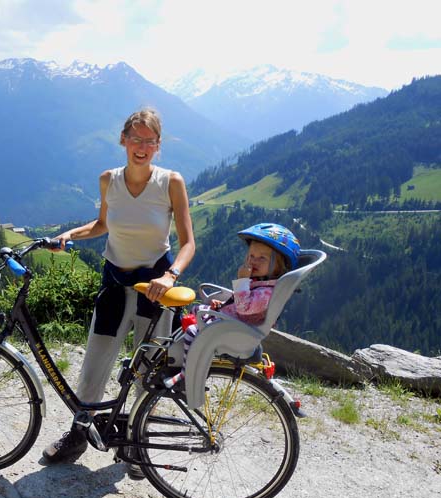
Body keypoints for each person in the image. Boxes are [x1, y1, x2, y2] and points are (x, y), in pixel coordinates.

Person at [42, 108, 195, 470]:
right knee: (94, 365)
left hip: (154, 288)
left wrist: (170, 275)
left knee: (146, 373)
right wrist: (69, 235)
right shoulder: (108, 180)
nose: (141, 147)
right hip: (114, 283)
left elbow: (188, 243)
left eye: (149, 141)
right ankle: (78, 435)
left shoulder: (171, 182)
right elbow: (101, 225)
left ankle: (138, 448)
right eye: (135, 139)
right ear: (123, 140)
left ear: (158, 146)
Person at [164, 223, 301, 388]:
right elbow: (244, 306)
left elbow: (244, 307)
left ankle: (188, 374)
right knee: (197, 310)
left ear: (279, 266)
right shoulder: (262, 284)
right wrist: (223, 305)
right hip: (236, 322)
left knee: (193, 332)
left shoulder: (267, 292)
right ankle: (185, 353)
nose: (253, 261)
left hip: (238, 331)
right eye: (251, 255)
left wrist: (242, 281)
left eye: (262, 258)